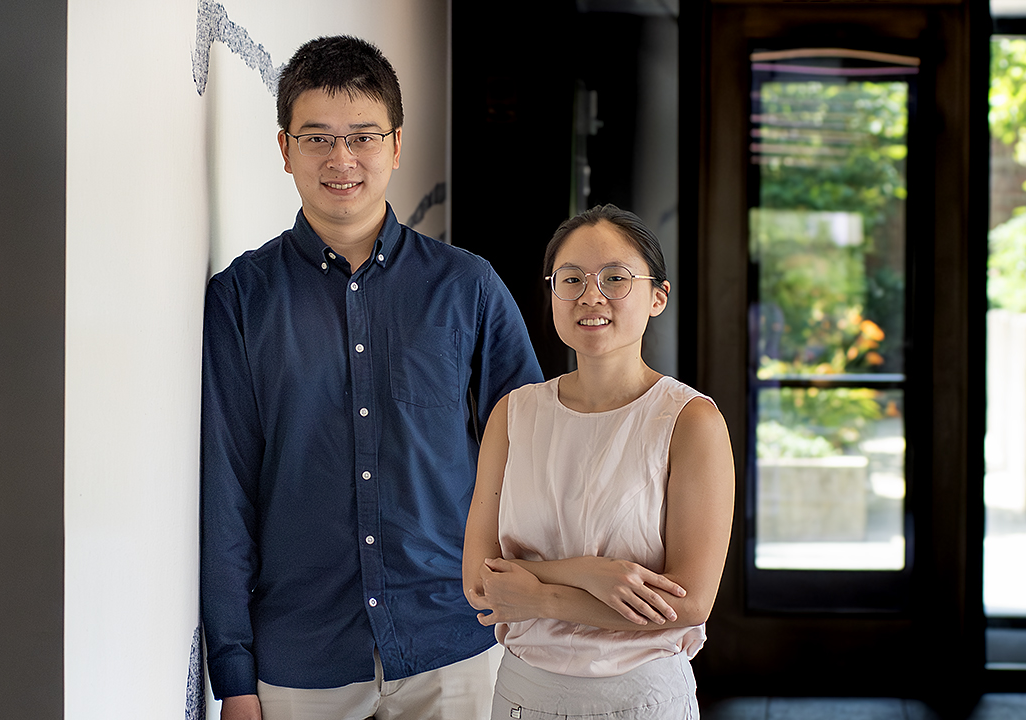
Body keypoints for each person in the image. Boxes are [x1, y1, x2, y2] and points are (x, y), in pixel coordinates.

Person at [200, 36, 543, 720]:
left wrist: (533, 604)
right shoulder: (241, 299)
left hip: (457, 644)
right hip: (302, 659)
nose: (341, 159)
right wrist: (234, 674)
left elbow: (534, 455)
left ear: (395, 144)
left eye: (362, 136)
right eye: (317, 138)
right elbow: (226, 487)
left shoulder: (466, 287)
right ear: (284, 148)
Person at [462, 204, 734, 719]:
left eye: (615, 278)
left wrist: (542, 599)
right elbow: (479, 581)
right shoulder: (514, 413)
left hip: (642, 699)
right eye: (571, 279)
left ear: (658, 297)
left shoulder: (690, 421)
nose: (591, 295)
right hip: (523, 696)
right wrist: (591, 574)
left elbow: (689, 603)